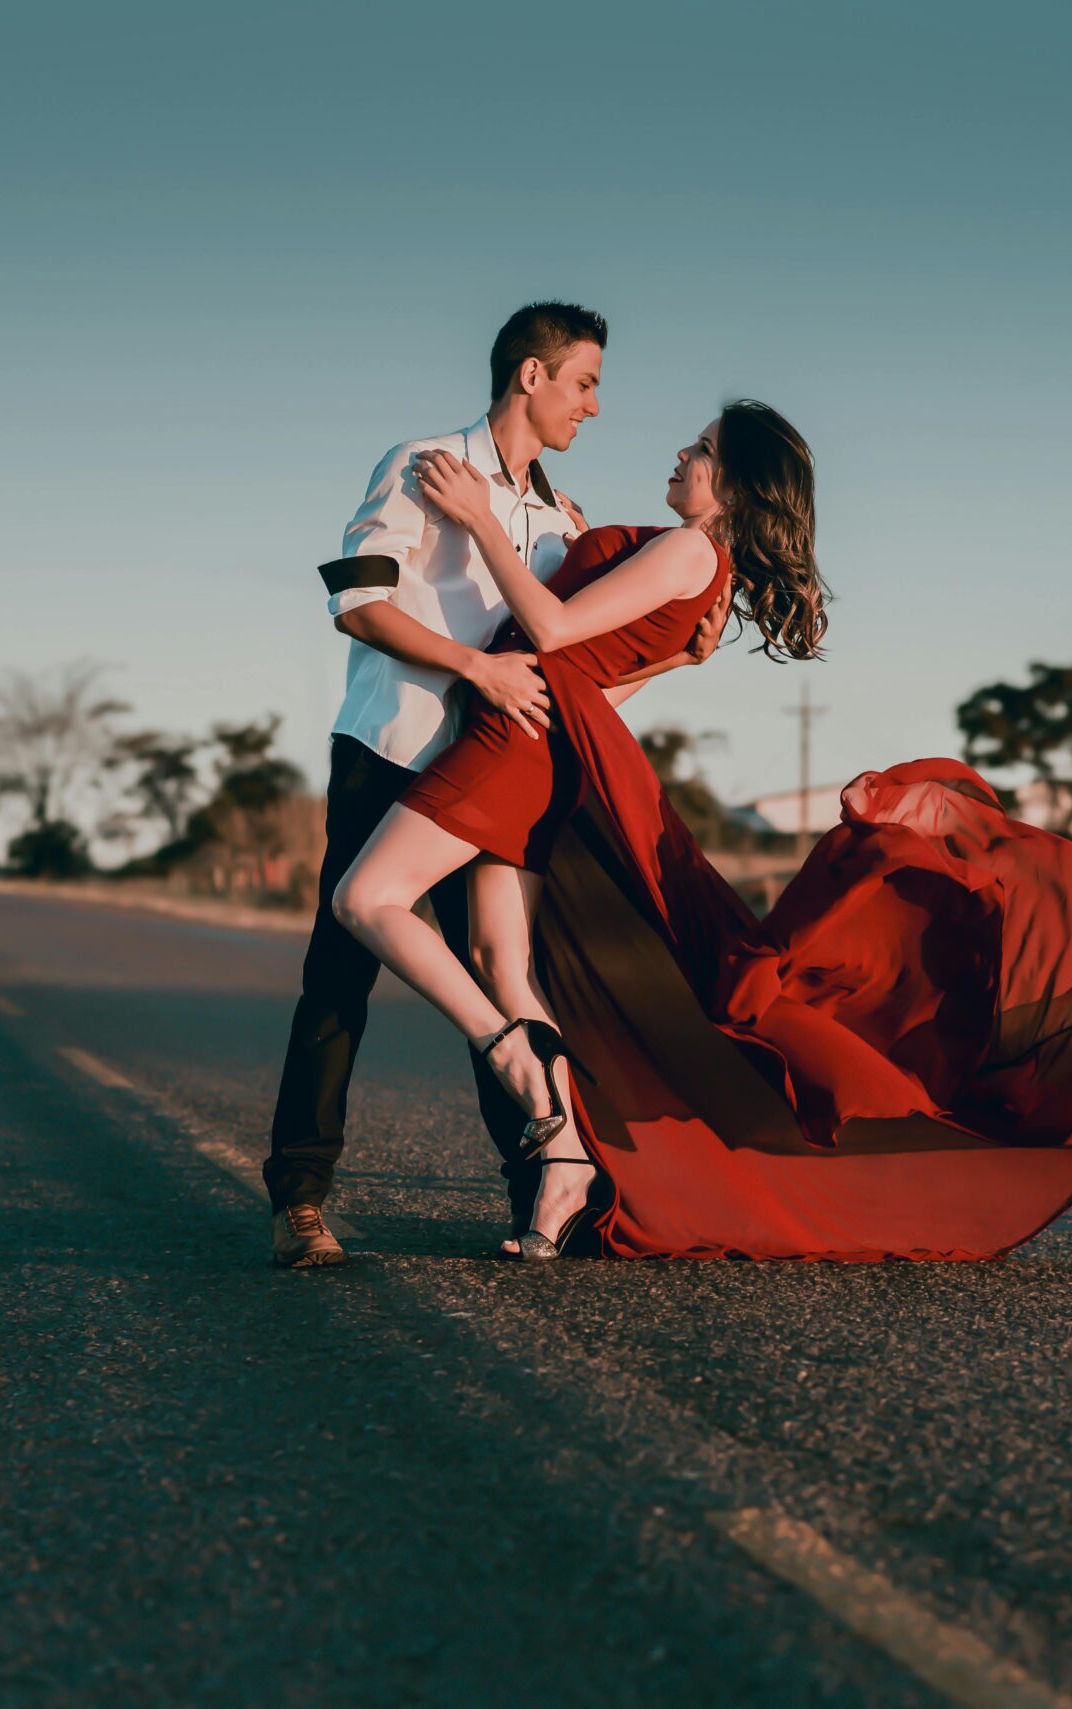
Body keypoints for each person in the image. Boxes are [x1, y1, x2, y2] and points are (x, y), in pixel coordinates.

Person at [334, 400, 1072, 1262]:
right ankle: (567, 1163)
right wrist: (615, 602)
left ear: (732, 485)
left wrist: (476, 521)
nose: (682, 454)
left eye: (702, 450)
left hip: (509, 740)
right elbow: (597, 687)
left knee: (367, 896)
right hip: (545, 741)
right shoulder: (707, 572)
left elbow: (551, 630)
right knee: (505, 963)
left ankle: (513, 1062)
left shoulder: (691, 547)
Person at [263, 302, 718, 1268]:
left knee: (494, 966)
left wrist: (674, 662)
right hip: (393, 747)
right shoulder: (425, 463)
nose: (594, 406)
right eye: (585, 382)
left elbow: (572, 670)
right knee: (340, 978)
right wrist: (476, 673)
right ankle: (299, 1200)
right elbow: (357, 602)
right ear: (531, 376)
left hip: (494, 769)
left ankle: (546, 1192)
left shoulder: (562, 521)